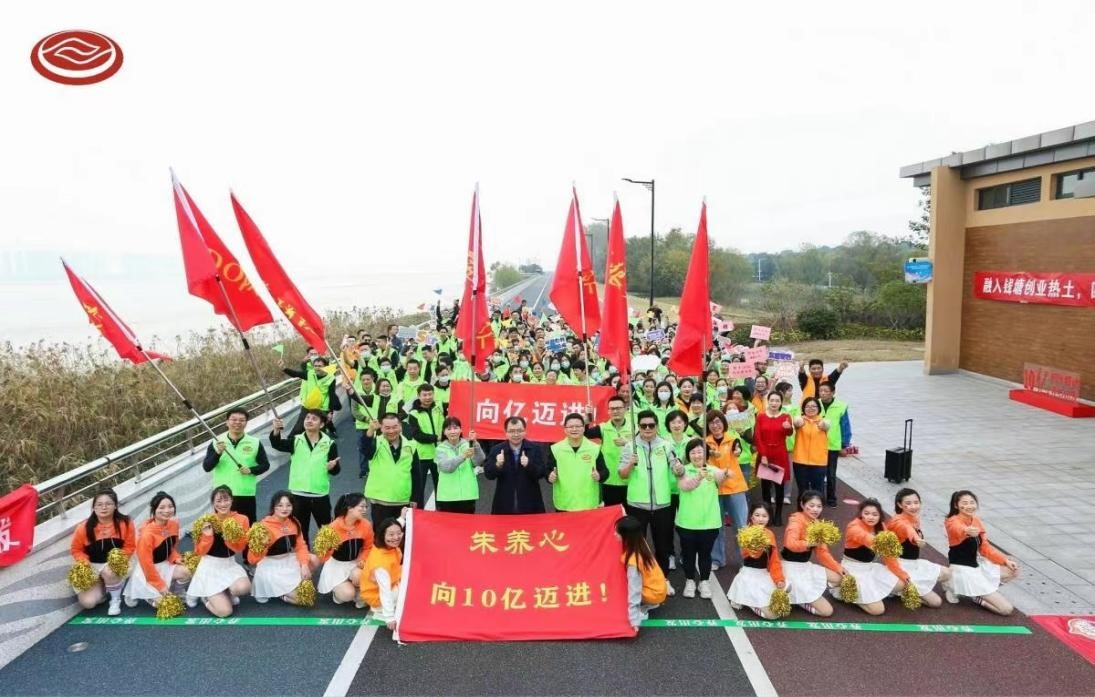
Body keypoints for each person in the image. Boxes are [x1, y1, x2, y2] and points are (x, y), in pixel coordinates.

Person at [618, 410, 677, 596]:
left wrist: (679, 467)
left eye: (651, 425)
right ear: (638, 427)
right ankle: (637, 581)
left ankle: (663, 579)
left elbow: (676, 467)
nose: (647, 428)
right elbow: (622, 474)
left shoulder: (667, 446)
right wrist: (630, 464)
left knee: (662, 546)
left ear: (657, 426)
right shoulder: (630, 447)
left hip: (662, 505)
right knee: (636, 547)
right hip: (637, 504)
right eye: (643, 425)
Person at [943, 490, 1019, 615]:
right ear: (956, 505)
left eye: (972, 502)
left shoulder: (976, 520)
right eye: (965, 503)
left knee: (1013, 570)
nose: (969, 506)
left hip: (977, 566)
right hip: (963, 570)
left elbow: (985, 547)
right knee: (1006, 609)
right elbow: (956, 528)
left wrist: (1005, 561)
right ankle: (957, 587)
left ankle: (976, 593)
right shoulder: (951, 520)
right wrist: (966, 530)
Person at [269, 409, 340, 540]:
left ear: (322, 424)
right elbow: (277, 444)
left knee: (326, 531)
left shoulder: (330, 444)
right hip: (298, 495)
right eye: (307, 418)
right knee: (300, 532)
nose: (309, 421)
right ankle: (303, 553)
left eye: (314, 419)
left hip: (320, 494)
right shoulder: (295, 441)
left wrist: (332, 467)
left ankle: (328, 553)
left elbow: (336, 471)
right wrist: (276, 430)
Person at [837, 499, 911, 615]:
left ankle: (870, 593)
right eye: (866, 513)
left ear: (880, 515)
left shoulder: (881, 526)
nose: (870, 517)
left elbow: (889, 556)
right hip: (853, 570)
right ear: (861, 514)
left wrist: (902, 574)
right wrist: (884, 542)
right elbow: (865, 538)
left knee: (902, 584)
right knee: (877, 610)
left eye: (875, 514)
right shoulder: (853, 527)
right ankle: (847, 594)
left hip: (870, 568)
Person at [187, 486, 251, 617]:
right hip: (210, 567)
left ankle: (226, 592)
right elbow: (199, 552)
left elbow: (240, 548)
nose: (223, 504)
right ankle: (205, 597)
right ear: (213, 503)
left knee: (244, 588)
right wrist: (207, 536)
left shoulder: (242, 519)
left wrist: (229, 536)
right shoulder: (206, 521)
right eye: (218, 501)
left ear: (232, 500)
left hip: (229, 564)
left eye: (226, 500)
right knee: (225, 612)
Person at [69, 488, 135, 616]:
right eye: (99, 504)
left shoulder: (125, 523)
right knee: (88, 603)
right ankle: (105, 588)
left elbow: (130, 546)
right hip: (93, 566)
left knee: (109, 571)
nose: (103, 507)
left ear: (115, 506)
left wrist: (117, 560)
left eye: (108, 504)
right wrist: (86, 565)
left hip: (117, 564)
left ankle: (115, 599)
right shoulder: (83, 527)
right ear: (94, 507)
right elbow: (76, 550)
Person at [671, 438, 724, 599]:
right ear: (688, 455)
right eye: (693, 452)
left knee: (705, 554)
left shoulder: (713, 470)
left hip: (710, 522)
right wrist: (699, 477)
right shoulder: (683, 470)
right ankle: (689, 581)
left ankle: (704, 582)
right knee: (688, 554)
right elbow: (685, 486)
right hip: (687, 522)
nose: (696, 455)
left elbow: (722, 477)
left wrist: (726, 474)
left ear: (706, 454)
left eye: (700, 452)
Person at [780, 490, 844, 617]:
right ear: (802, 505)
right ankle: (801, 599)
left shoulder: (817, 523)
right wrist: (810, 542)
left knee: (839, 577)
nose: (815, 509)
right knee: (827, 612)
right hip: (790, 568)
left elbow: (822, 553)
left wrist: (839, 568)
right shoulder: (795, 520)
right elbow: (789, 543)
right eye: (812, 505)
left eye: (819, 506)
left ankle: (802, 596)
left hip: (805, 566)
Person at [249, 490, 319, 605]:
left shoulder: (294, 522)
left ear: (292, 507)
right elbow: (252, 559)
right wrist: (263, 546)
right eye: (280, 505)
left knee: (314, 559)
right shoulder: (263, 526)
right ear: (273, 507)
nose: (284, 509)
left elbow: (301, 546)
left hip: (288, 560)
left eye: (288, 505)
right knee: (302, 599)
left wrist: (304, 565)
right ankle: (279, 593)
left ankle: (298, 581)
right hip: (270, 565)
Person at [201, 408, 270, 524]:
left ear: (246, 423)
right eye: (233, 419)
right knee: (222, 530)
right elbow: (207, 467)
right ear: (227, 422)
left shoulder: (255, 442)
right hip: (223, 497)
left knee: (248, 528)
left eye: (241, 420)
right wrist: (218, 453)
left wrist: (251, 470)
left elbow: (265, 465)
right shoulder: (216, 442)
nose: (237, 423)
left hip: (245, 494)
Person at [123, 491, 191, 609]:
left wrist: (176, 558)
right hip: (148, 571)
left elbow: (172, 548)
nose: (167, 510)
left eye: (170, 506)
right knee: (166, 606)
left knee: (187, 571)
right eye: (162, 507)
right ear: (154, 510)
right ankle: (140, 592)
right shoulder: (147, 534)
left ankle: (176, 592)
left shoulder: (173, 524)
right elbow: (147, 565)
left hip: (165, 564)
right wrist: (160, 586)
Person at [887, 488, 951, 608]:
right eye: (908, 503)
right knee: (936, 602)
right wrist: (916, 539)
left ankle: (906, 588)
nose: (913, 506)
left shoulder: (913, 518)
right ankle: (900, 591)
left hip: (914, 563)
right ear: (899, 504)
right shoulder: (898, 522)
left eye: (916, 502)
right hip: (901, 565)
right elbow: (907, 529)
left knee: (947, 573)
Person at [727, 504, 787, 619]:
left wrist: (779, 579)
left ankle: (748, 599)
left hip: (764, 575)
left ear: (769, 518)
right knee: (772, 615)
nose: (760, 519)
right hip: (750, 576)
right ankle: (749, 600)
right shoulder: (746, 534)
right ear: (752, 517)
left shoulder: (770, 534)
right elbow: (752, 555)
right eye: (757, 515)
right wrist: (759, 541)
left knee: (780, 608)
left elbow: (774, 560)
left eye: (764, 516)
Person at [705, 411, 747, 572]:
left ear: (723, 422)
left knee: (741, 525)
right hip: (714, 488)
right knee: (716, 526)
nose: (715, 425)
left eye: (718, 421)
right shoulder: (704, 442)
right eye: (711, 423)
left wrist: (737, 451)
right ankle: (717, 559)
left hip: (735, 487)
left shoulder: (733, 439)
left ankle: (744, 560)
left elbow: (738, 450)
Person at [361, 413, 419, 527]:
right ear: (381, 428)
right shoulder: (376, 442)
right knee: (381, 533)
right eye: (387, 428)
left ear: (400, 426)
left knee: (401, 534)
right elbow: (366, 451)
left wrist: (415, 498)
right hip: (380, 500)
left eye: (394, 427)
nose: (391, 431)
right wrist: (370, 430)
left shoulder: (411, 445)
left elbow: (416, 474)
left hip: (403, 500)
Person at [316, 493, 374, 607]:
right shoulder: (332, 528)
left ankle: (356, 587)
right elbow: (322, 557)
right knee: (348, 595)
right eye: (362, 506)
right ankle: (339, 593)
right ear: (350, 508)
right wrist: (326, 548)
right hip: (337, 565)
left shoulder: (366, 525)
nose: (365, 510)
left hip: (355, 562)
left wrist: (362, 560)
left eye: (366, 507)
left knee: (359, 577)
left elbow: (368, 547)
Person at [484, 416, 547, 514]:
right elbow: (488, 475)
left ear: (525, 431)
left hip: (531, 502)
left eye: (519, 430)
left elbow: (541, 473)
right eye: (512, 431)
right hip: (504, 502)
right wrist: (498, 465)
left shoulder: (534, 448)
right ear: (506, 432)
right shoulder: (497, 449)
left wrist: (529, 465)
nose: (516, 434)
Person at [547, 413, 609, 512]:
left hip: (588, 503)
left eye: (578, 426)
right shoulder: (555, 449)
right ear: (565, 429)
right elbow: (548, 471)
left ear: (584, 428)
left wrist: (599, 475)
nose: (574, 429)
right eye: (571, 427)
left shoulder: (594, 448)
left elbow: (605, 471)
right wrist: (549, 476)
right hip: (564, 503)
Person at [617, 516, 667, 631]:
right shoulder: (640, 543)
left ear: (626, 536)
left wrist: (633, 620)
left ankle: (642, 611)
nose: (615, 534)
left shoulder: (633, 561)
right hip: (658, 589)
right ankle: (651, 603)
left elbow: (634, 590)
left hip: (652, 594)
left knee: (624, 587)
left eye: (618, 532)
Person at [583, 395, 632, 507]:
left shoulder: (634, 427)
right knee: (611, 513)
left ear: (625, 409)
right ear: (608, 411)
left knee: (629, 514)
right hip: (609, 480)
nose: (615, 411)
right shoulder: (603, 428)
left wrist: (628, 443)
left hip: (629, 478)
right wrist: (587, 420)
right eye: (612, 409)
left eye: (618, 408)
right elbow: (585, 434)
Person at [753, 392, 794, 526]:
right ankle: (767, 514)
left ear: (781, 402)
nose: (774, 403)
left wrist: (789, 428)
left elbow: (789, 433)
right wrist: (763, 455)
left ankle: (778, 514)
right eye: (772, 400)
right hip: (765, 453)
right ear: (768, 401)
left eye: (777, 401)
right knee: (765, 487)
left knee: (779, 486)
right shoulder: (761, 416)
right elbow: (758, 437)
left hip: (779, 453)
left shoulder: (786, 417)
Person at [405, 383, 446, 508]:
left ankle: (442, 511)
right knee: (419, 488)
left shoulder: (438, 409)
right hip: (422, 456)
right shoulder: (413, 414)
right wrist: (436, 438)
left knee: (441, 486)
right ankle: (419, 513)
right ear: (418, 396)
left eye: (430, 394)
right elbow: (417, 435)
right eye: (424, 395)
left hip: (439, 454)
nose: (428, 397)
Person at [361, 517, 406, 631]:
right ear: (383, 535)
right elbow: (385, 590)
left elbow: (395, 528)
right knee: (409, 590)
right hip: (376, 595)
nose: (396, 537)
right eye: (391, 535)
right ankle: (381, 611)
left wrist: (402, 517)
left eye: (399, 533)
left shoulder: (385, 545)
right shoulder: (380, 563)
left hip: (390, 583)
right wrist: (389, 617)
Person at [433, 417, 485, 513]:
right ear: (444, 432)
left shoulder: (468, 444)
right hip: (447, 497)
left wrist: (475, 443)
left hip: (468, 495)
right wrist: (463, 456)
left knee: (468, 522)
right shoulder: (440, 449)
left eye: (455, 428)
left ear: (460, 430)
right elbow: (446, 467)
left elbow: (479, 461)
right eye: (449, 429)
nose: (453, 431)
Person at [817, 383, 851, 508]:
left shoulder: (841, 406)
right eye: (821, 391)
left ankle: (831, 498)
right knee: (818, 473)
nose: (823, 393)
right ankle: (818, 498)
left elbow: (845, 426)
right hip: (817, 445)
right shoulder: (815, 404)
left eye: (826, 391)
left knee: (831, 473)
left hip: (832, 446)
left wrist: (844, 445)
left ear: (833, 392)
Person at [791, 397, 829, 496]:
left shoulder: (823, 421)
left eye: (813, 406)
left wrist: (824, 425)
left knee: (818, 491)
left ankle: (817, 506)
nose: (810, 408)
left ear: (818, 408)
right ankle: (801, 506)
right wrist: (797, 421)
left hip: (819, 462)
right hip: (800, 461)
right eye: (807, 406)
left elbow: (827, 425)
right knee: (802, 491)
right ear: (803, 408)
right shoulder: (801, 420)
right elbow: (796, 422)